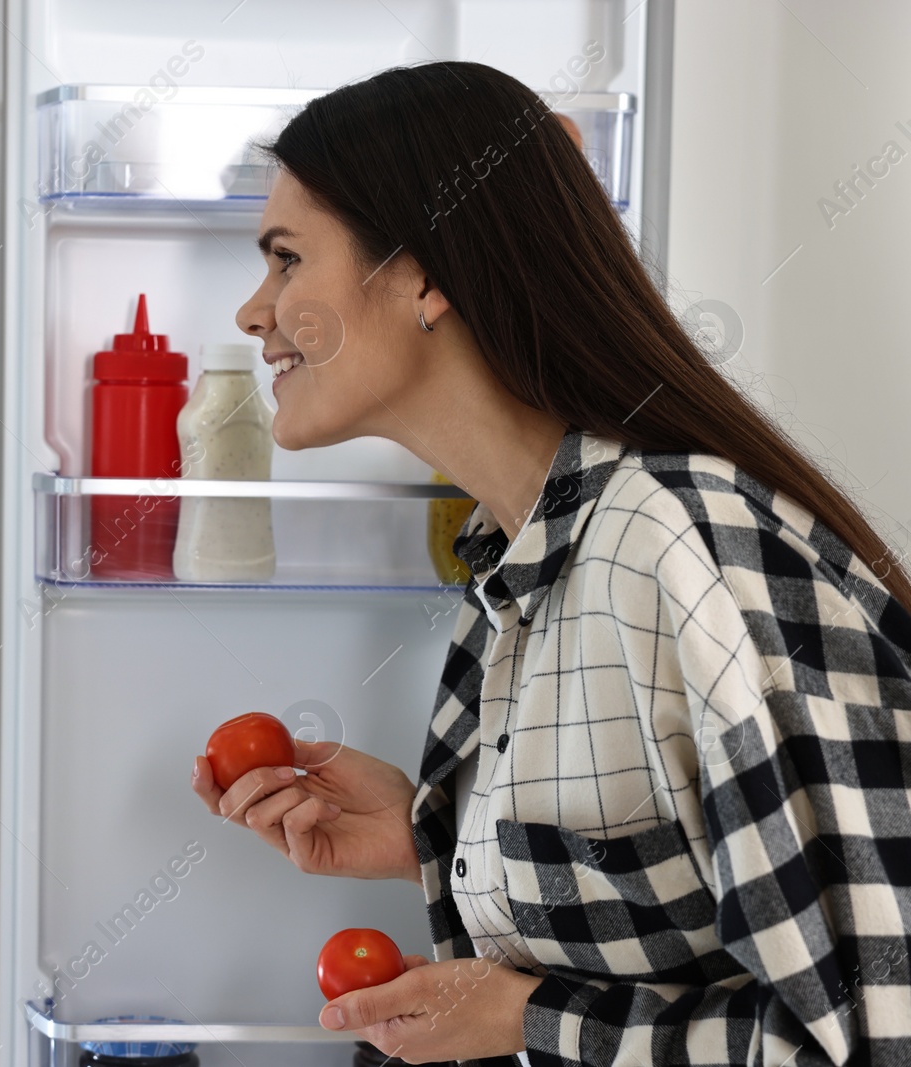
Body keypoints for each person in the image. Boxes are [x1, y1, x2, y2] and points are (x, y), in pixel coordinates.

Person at [191, 60, 911, 1067]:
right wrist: (433, 838)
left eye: (284, 259)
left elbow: (878, 1030)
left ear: (424, 277)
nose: (253, 312)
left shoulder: (682, 545)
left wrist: (519, 1017)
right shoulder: (518, 564)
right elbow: (681, 894)